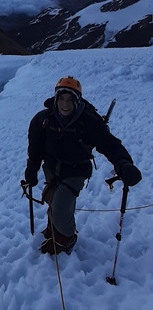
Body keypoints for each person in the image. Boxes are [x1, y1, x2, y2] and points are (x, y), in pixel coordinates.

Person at [22, 76, 142, 254]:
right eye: (61, 98)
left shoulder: (89, 122)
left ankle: (65, 238)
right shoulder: (43, 120)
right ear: (55, 98)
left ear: (78, 100)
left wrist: (123, 163)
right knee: (53, 198)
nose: (65, 104)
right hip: (51, 168)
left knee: (61, 205)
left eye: (71, 99)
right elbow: (35, 148)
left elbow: (110, 145)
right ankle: (55, 227)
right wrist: (31, 170)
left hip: (75, 170)